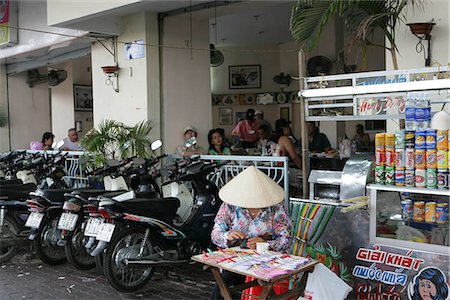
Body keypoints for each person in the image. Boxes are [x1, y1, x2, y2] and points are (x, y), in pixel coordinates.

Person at [210, 166, 292, 299]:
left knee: (263, 288)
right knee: (221, 288)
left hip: (267, 262)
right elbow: (215, 234)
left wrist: (265, 243)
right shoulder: (230, 206)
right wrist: (227, 235)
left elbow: (286, 239)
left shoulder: (276, 208)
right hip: (237, 261)